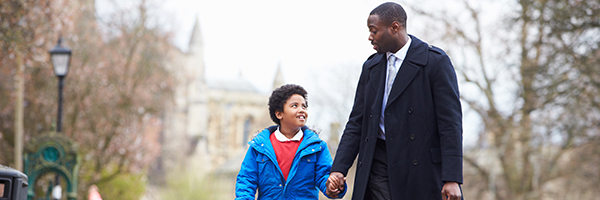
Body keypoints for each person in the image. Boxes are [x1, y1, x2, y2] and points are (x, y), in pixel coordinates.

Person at [326, 2, 464, 200]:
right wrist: (339, 169)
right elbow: (357, 122)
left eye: (374, 30)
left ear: (395, 27)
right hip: (378, 161)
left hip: (420, 167)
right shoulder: (371, 67)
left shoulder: (434, 61)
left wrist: (452, 178)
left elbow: (450, 124)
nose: (369, 36)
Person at [235, 84, 346, 199]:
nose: (301, 110)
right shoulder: (259, 147)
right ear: (279, 114)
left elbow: (324, 177)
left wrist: (332, 186)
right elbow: (246, 180)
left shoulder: (318, 147)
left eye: (304, 106)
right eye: (294, 106)